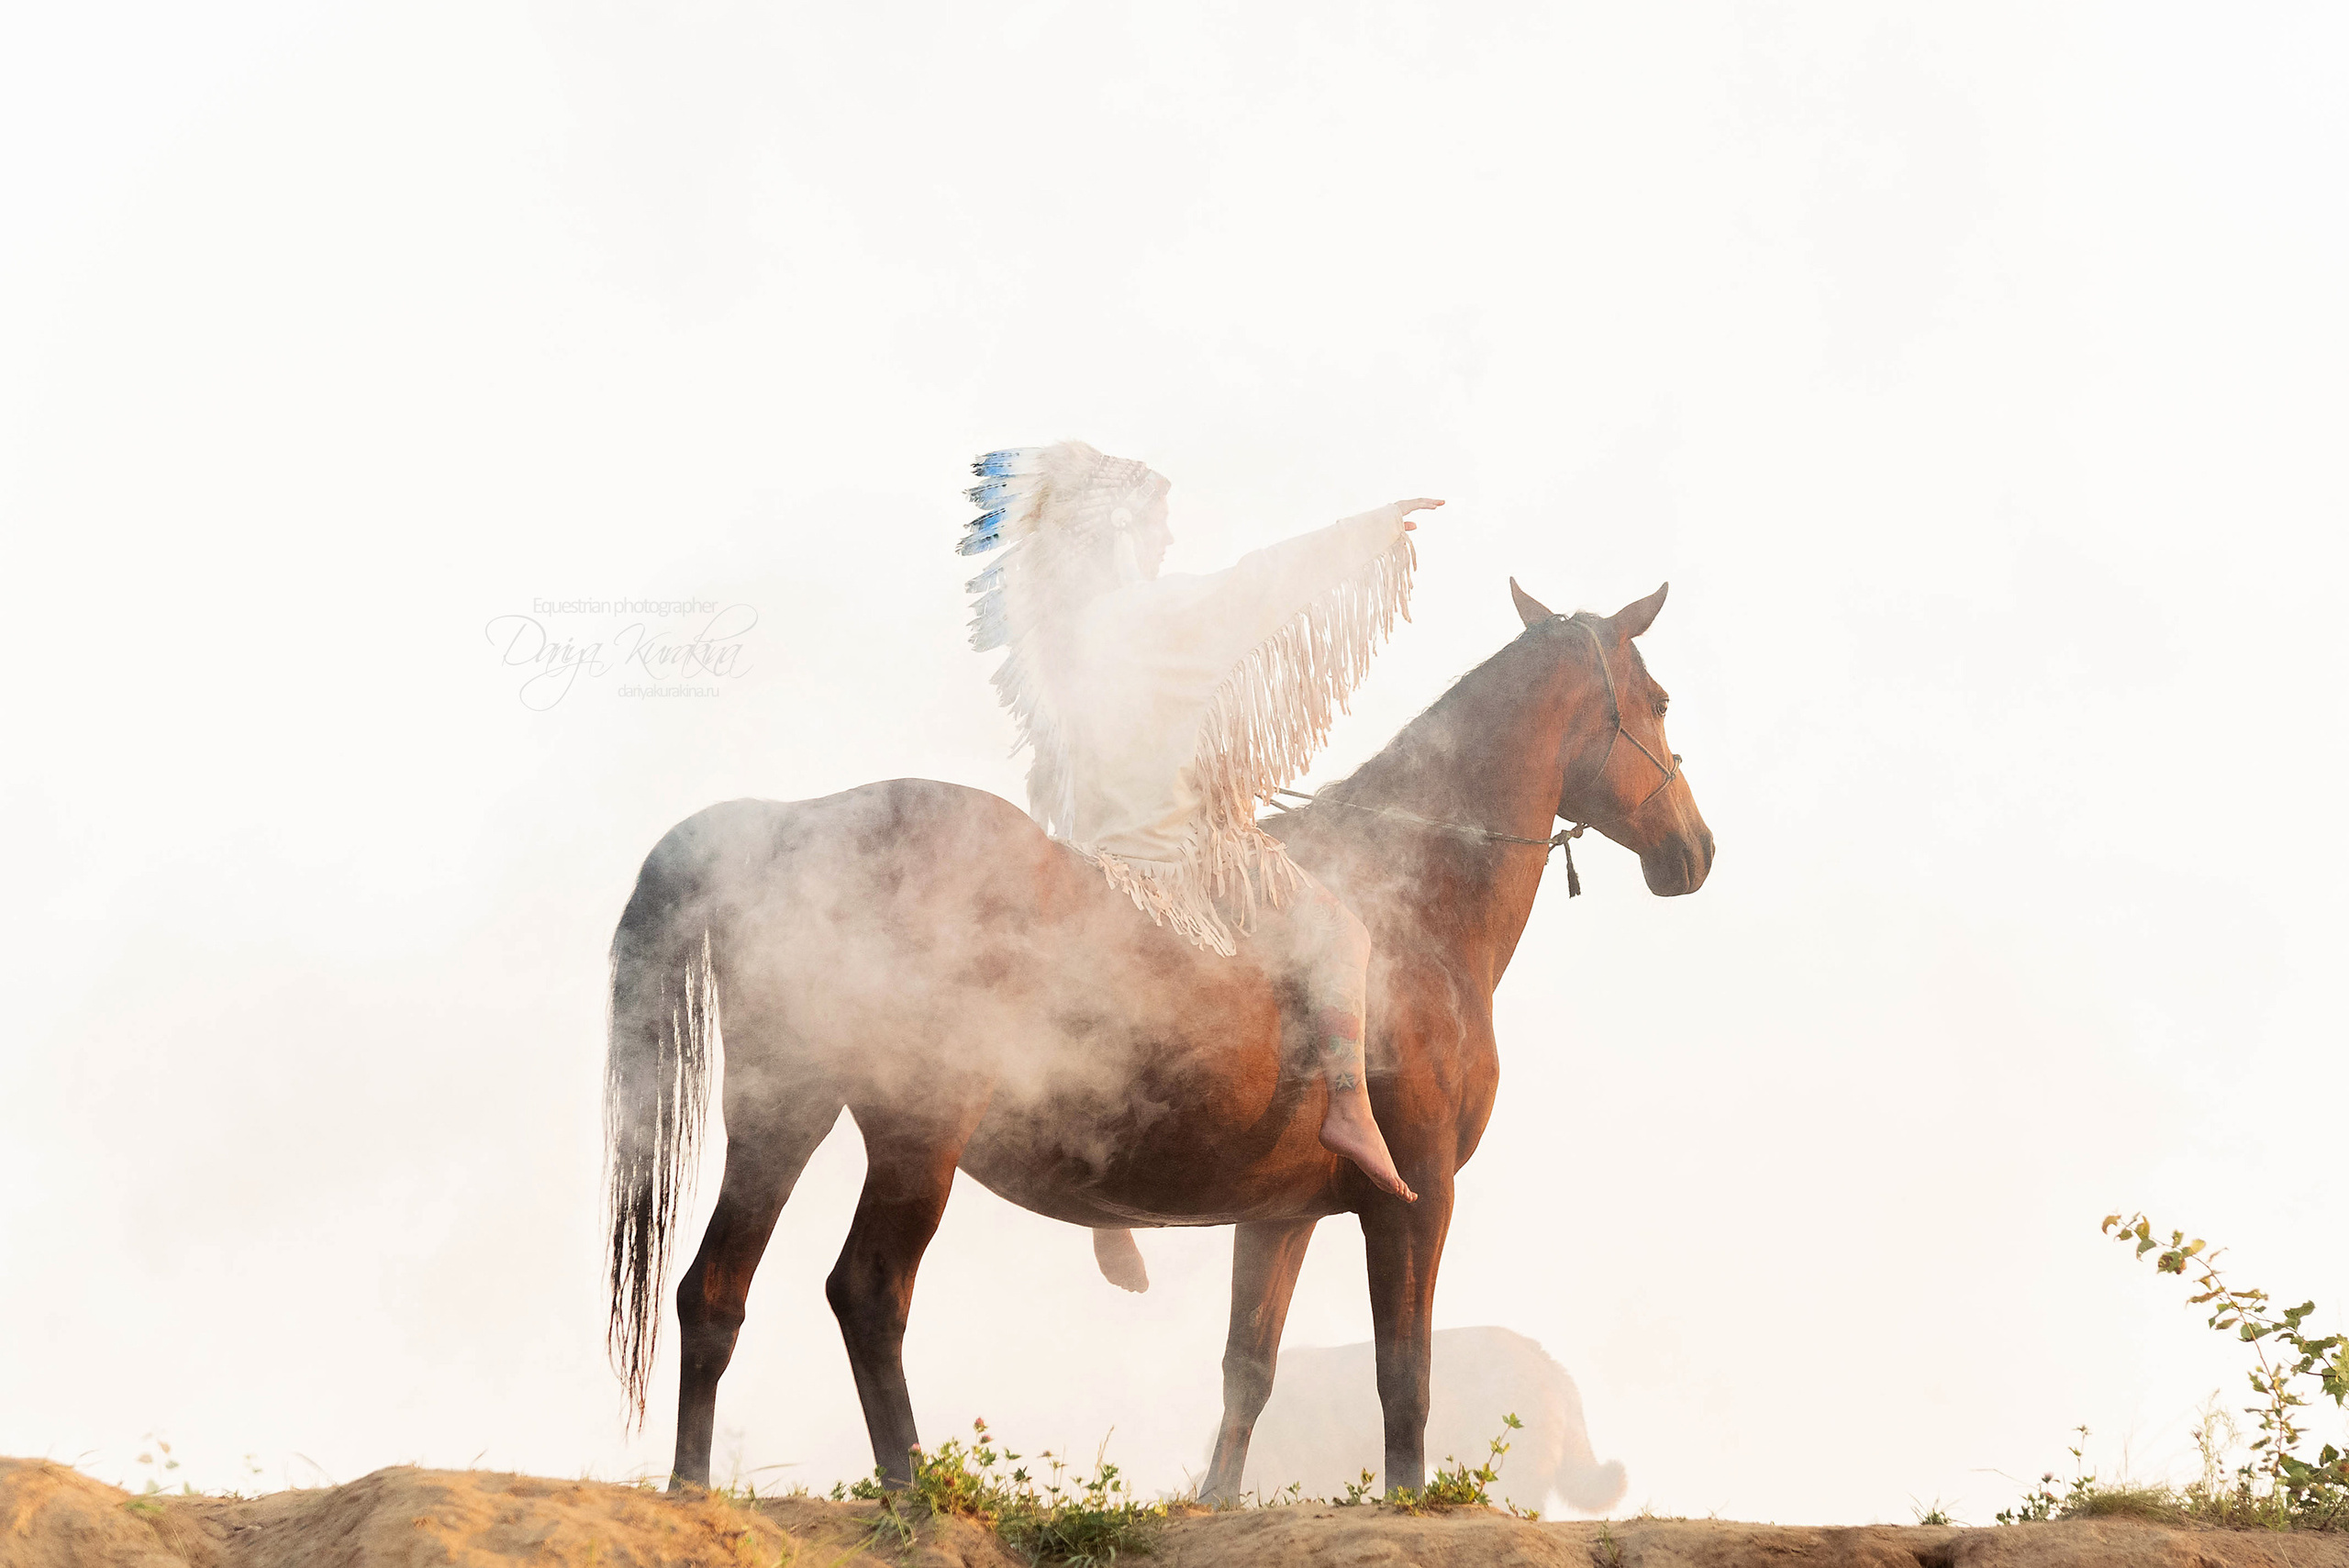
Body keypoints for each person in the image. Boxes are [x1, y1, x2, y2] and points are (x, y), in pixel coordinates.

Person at [962, 442, 1442, 1204]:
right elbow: (1257, 585)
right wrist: (1371, 529)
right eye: (1157, 522)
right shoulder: (1149, 614)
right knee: (1342, 931)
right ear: (1120, 528)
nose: (1168, 540)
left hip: (1090, 858)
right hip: (1170, 868)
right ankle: (1351, 1107)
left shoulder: (1068, 641)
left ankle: (1110, 1220)